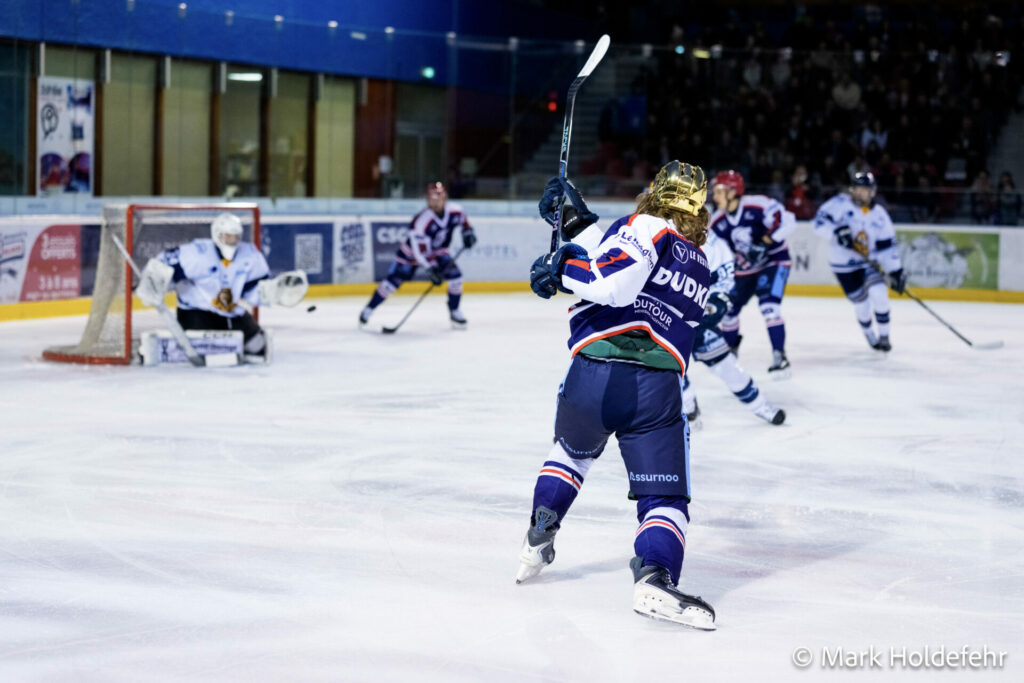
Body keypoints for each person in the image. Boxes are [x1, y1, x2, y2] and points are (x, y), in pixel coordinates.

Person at [516, 161, 716, 630]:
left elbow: (613, 279)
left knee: (571, 455)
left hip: (593, 373)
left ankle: (538, 534)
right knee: (665, 498)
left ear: (654, 193)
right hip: (655, 391)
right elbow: (622, 264)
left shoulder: (646, 226)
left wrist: (560, 264)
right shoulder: (698, 260)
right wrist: (575, 222)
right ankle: (654, 577)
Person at [135, 212, 283, 359]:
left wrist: (270, 293)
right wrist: (151, 285)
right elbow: (162, 264)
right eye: (227, 236)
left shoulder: (249, 254)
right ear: (217, 234)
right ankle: (157, 350)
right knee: (206, 349)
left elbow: (251, 290)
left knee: (257, 346)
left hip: (229, 311)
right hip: (196, 313)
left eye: (235, 236)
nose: (232, 240)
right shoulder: (197, 253)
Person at [683, 229, 785, 427]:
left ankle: (760, 405)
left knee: (728, 367)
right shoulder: (653, 232)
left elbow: (724, 288)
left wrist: (714, 307)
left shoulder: (714, 245)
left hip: (699, 324)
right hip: (664, 322)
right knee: (669, 371)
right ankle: (688, 409)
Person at [709, 170, 797, 376]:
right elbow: (714, 253)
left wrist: (766, 241)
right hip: (745, 270)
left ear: (733, 191)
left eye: (719, 191)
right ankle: (729, 355)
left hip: (773, 261)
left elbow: (789, 220)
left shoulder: (758, 205)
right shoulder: (717, 222)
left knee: (769, 307)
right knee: (728, 311)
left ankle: (779, 356)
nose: (715, 196)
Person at [359, 182, 476, 327]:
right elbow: (421, 252)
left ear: (444, 198)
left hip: (439, 251)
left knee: (456, 277)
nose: (434, 201)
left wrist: (468, 233)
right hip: (411, 254)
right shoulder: (421, 221)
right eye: (431, 198)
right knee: (391, 284)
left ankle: (455, 311)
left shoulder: (455, 211)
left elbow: (464, 222)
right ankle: (369, 309)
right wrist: (432, 269)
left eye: (438, 197)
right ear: (427, 199)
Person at [813, 172, 906, 352]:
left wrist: (896, 271)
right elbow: (817, 223)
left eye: (866, 189)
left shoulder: (880, 215)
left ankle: (885, 338)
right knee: (862, 305)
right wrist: (836, 232)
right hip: (843, 265)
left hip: (866, 263)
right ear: (852, 190)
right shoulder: (839, 204)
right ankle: (870, 335)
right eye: (858, 189)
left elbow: (887, 247)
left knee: (879, 293)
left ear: (873, 191)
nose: (861, 193)